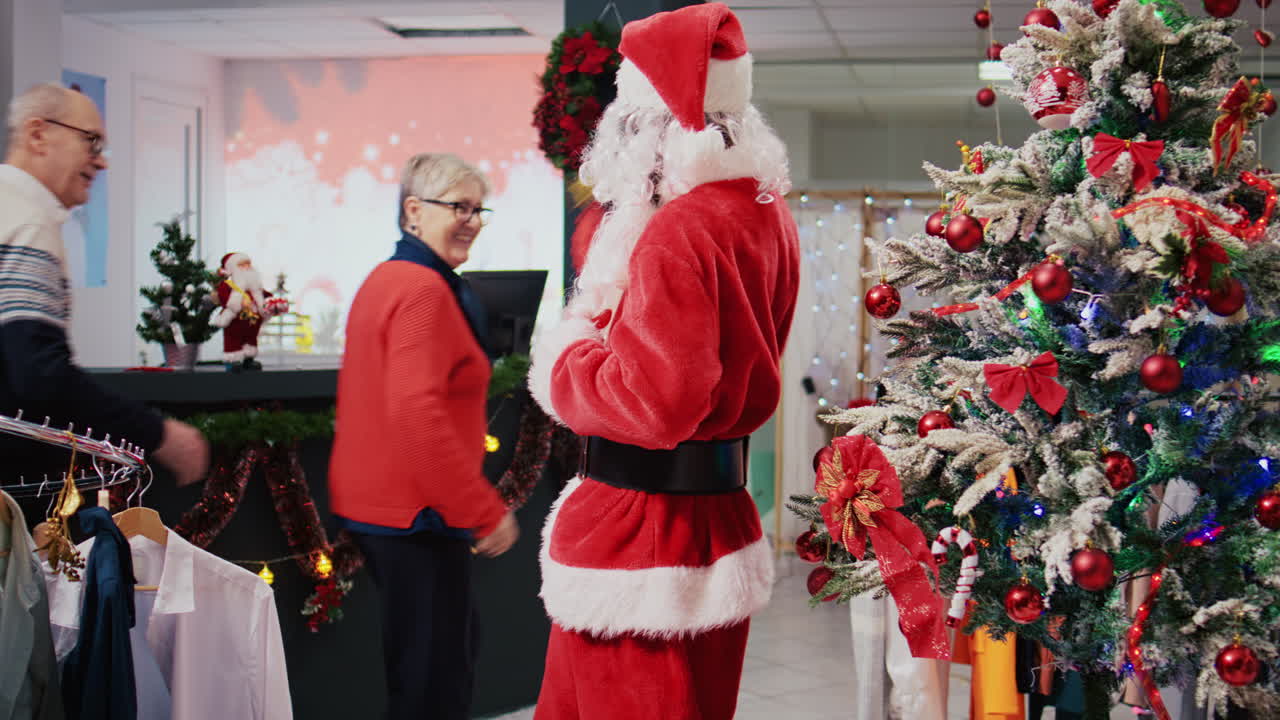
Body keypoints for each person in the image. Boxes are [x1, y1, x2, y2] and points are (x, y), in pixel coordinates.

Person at [527, 5, 800, 719]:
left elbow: (653, 403)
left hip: (638, 538)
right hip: (716, 521)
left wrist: (566, 357)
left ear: (650, 128)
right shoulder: (765, 212)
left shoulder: (680, 229)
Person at [328, 152, 520, 720]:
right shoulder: (423, 290)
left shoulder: (390, 277)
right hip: (416, 513)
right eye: (457, 207)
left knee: (425, 672)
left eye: (478, 208)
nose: (473, 220)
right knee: (435, 685)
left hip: (390, 510)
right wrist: (483, 509)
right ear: (413, 211)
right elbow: (416, 414)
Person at [0, 83, 209, 496]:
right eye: (90, 141)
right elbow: (40, 376)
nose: (101, 163)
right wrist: (158, 433)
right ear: (38, 134)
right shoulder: (27, 225)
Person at [212, 251, 287, 371]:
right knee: (233, 340)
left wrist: (273, 305)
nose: (247, 267)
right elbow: (224, 298)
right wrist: (240, 302)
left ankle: (248, 359)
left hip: (252, 323)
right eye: (242, 265)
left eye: (248, 264)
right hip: (235, 321)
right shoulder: (228, 286)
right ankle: (233, 360)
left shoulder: (256, 288)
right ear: (232, 268)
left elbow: (266, 297)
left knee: (250, 340)